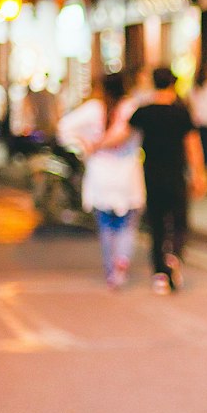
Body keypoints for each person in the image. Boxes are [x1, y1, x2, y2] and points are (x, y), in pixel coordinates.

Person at [100, 67, 206, 293]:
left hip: (151, 175)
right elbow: (193, 145)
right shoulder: (181, 111)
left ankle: (160, 272)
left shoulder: (144, 112)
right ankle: (174, 255)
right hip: (177, 174)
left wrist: (98, 145)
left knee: (157, 224)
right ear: (173, 84)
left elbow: (122, 135)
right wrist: (199, 175)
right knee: (178, 220)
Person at [56, 73, 145, 288]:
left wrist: (85, 145)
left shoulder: (94, 108)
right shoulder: (131, 108)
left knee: (106, 226)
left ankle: (111, 268)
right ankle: (121, 263)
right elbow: (131, 133)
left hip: (100, 176)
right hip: (127, 176)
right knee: (127, 225)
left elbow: (63, 128)